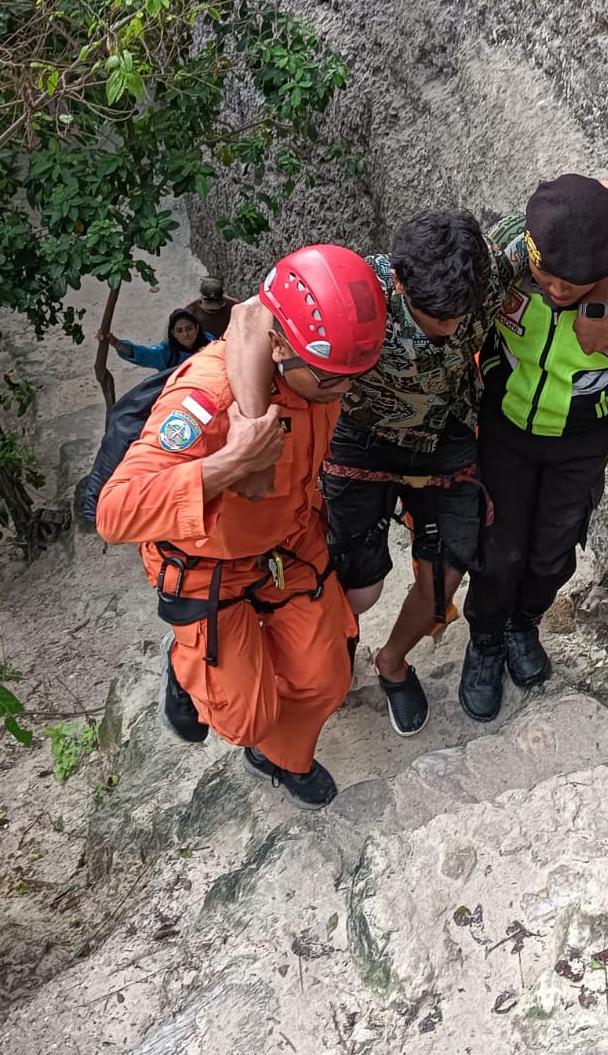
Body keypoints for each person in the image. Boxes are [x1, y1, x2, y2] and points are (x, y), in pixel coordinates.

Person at [95, 245, 387, 809]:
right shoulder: (206, 398)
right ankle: (185, 665)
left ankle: (281, 758)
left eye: (354, 378)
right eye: (332, 381)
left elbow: (254, 309)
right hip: (206, 563)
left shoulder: (317, 362)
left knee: (327, 677)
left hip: (286, 541)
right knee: (244, 716)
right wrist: (229, 464)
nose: (344, 393)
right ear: (280, 346)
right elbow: (115, 512)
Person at [227, 211, 510, 737]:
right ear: (399, 282)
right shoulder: (357, 287)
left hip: (444, 430)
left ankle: (393, 661)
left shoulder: (488, 268)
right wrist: (251, 436)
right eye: (435, 316)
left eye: (461, 316)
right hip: (358, 435)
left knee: (447, 570)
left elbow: (586, 210)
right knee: (358, 583)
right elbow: (249, 317)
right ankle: (337, 653)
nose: (451, 329)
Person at [460, 174, 608, 722]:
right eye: (547, 274)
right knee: (499, 551)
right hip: (502, 430)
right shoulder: (512, 254)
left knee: (552, 554)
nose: (557, 290)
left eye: (576, 282)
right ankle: (486, 638)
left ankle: (523, 624)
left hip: (580, 445)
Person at [101, 307, 212, 371]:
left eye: (189, 329)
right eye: (179, 330)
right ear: (173, 333)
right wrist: (117, 344)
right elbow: (143, 354)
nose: (185, 334)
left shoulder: (210, 344)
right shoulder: (166, 353)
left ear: (197, 328)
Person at [186, 276, 241, 340]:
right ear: (201, 297)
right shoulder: (190, 313)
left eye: (216, 301)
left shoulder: (235, 307)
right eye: (208, 301)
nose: (212, 309)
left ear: (222, 298)